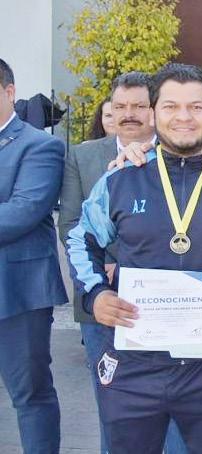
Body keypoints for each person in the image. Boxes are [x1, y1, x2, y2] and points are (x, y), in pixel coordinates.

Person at [65, 63, 202, 452]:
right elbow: (81, 240)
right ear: (153, 113)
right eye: (171, 107)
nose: (183, 117)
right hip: (135, 364)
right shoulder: (121, 178)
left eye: (195, 107)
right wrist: (95, 294)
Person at [58, 70, 156, 454]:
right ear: (109, 111)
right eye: (120, 106)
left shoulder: (177, 155)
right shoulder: (83, 156)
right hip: (103, 304)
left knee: (170, 413)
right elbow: (71, 224)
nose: (128, 114)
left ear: (153, 110)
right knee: (114, 413)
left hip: (164, 304)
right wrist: (104, 271)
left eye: (138, 106)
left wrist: (130, 268)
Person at [0, 57, 67, 454]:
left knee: (30, 394)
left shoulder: (40, 145)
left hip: (17, 292)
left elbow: (22, 212)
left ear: (9, 92)